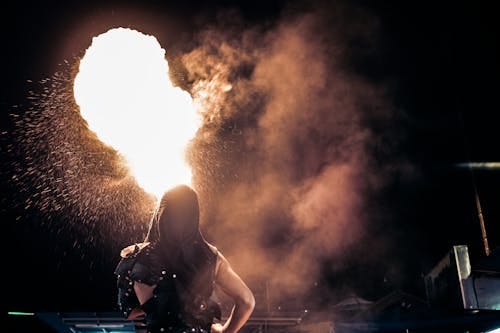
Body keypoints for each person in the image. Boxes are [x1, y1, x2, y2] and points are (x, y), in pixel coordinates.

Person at [115, 185, 255, 333]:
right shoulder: (212, 256)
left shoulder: (137, 256)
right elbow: (246, 301)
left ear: (161, 215)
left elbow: (128, 311)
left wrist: (157, 306)